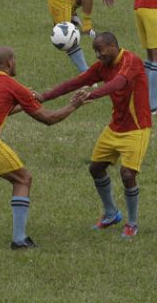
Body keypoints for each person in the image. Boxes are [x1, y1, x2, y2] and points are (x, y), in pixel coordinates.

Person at [0, 46, 88, 249]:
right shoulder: (13, 85)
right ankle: (19, 240)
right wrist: (74, 105)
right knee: (23, 179)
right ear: (10, 62)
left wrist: (25, 101)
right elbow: (49, 119)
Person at [32, 32, 150, 239]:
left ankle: (132, 223)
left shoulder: (131, 61)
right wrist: (44, 96)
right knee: (96, 168)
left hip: (137, 129)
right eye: (95, 51)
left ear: (113, 46)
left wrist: (91, 95)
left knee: (128, 174)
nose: (97, 55)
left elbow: (118, 83)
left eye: (100, 50)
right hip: (115, 127)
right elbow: (76, 82)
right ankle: (111, 213)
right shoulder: (103, 66)